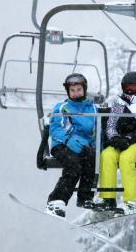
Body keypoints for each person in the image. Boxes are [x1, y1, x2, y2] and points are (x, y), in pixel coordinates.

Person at [96, 72, 136, 215]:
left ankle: (134, 201)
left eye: (134, 87)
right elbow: (111, 125)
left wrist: (130, 139)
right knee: (107, 155)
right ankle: (108, 198)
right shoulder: (119, 103)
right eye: (128, 87)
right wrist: (115, 138)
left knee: (126, 158)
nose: (130, 90)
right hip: (121, 142)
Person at [45, 73, 97, 217]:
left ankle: (84, 197)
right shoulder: (62, 107)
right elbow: (55, 128)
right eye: (72, 91)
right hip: (61, 144)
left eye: (78, 90)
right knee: (73, 165)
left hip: (82, 145)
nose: (75, 93)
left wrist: (96, 147)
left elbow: (95, 133)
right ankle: (55, 201)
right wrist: (67, 140)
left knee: (91, 157)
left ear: (84, 90)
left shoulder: (92, 109)